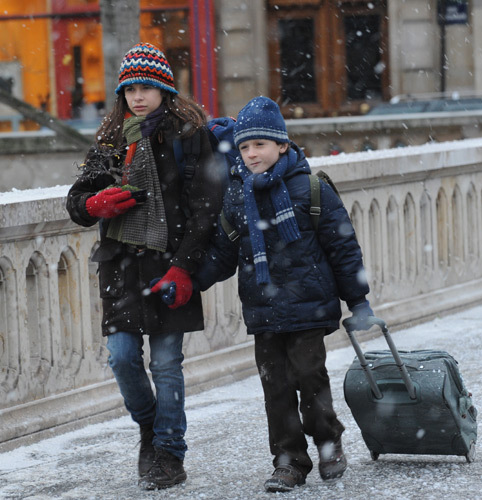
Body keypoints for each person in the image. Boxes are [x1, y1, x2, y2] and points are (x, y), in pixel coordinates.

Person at [194, 96, 379, 493]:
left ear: (282, 145)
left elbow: (343, 249)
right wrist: (192, 280)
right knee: (274, 386)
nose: (251, 153)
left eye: (259, 144)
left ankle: (328, 439)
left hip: (309, 306)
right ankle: (289, 460)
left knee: (309, 376)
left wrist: (358, 300)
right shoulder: (237, 197)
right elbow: (224, 252)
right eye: (243, 147)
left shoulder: (312, 189)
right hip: (263, 310)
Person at [65, 42, 223, 490]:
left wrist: (184, 267)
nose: (138, 96)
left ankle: (169, 453)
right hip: (120, 268)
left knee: (168, 363)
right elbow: (77, 200)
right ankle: (151, 430)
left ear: (165, 90)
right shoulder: (111, 140)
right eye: (130, 88)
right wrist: (94, 204)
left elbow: (206, 207)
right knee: (121, 358)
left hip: (170, 265)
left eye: (147, 87)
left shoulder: (190, 134)